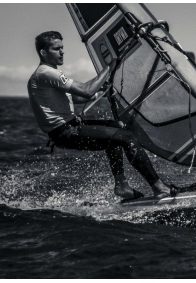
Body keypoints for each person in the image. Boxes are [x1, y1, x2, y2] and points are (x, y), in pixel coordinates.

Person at [27, 31, 176, 200]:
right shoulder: (45, 73)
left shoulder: (48, 74)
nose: (62, 52)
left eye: (62, 48)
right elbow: (85, 91)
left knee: (116, 127)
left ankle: (121, 185)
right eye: (56, 49)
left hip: (71, 127)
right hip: (65, 132)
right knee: (126, 137)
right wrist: (108, 67)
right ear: (43, 52)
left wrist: (101, 92)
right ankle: (158, 187)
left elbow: (75, 97)